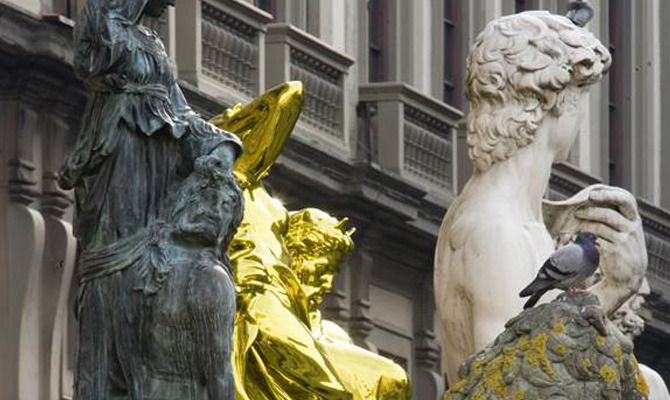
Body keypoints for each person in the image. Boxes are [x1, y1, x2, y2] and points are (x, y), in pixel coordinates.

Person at [434, 10, 647, 384]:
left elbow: (542, 350)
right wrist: (614, 288)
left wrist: (613, 288)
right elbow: (516, 381)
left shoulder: (508, 218)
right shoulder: (498, 231)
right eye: (584, 95)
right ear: (558, 98)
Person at [60, 0, 241, 252]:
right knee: (119, 243)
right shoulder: (103, 30)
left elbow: (180, 110)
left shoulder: (152, 44)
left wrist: (222, 144)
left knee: (159, 250)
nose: (172, 3)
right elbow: (90, 55)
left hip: (162, 162)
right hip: (122, 149)